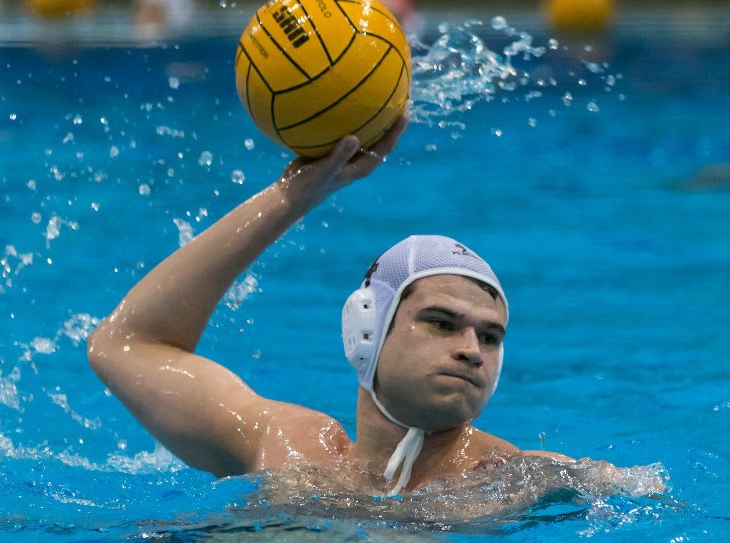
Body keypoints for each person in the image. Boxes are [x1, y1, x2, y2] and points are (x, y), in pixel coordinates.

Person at [87, 114, 569, 496]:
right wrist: (292, 197)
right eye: (441, 324)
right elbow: (126, 344)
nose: (472, 350)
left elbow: (642, 494)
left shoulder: (517, 480)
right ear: (367, 331)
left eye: (490, 336)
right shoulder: (288, 448)